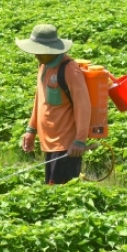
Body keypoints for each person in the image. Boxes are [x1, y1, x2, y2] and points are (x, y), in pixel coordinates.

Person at [16, 24, 91, 184]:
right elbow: (40, 99)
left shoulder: (70, 70)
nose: (35, 54)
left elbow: (83, 106)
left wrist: (79, 141)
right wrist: (31, 129)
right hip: (48, 143)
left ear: (50, 49)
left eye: (38, 50)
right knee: (52, 189)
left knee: (60, 194)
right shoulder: (43, 65)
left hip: (65, 145)